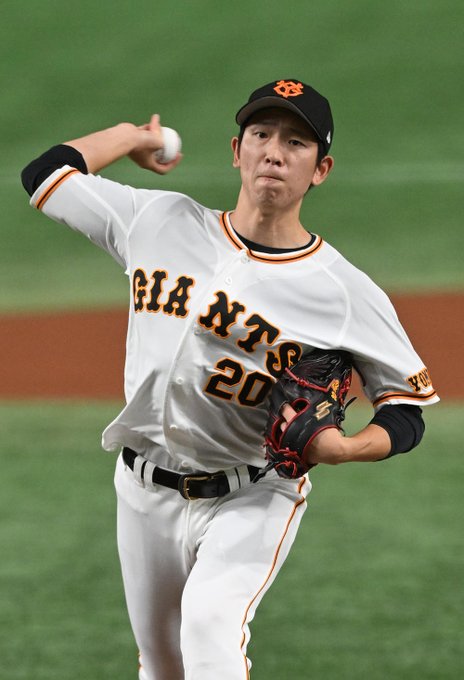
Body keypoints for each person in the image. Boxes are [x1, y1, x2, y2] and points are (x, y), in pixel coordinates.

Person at [21, 78, 439, 680]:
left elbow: (405, 409)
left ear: (320, 170)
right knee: (162, 666)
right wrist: (132, 137)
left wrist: (347, 449)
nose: (274, 152)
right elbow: (46, 176)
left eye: (295, 142)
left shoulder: (343, 290)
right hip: (142, 489)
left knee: (211, 630)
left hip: (253, 493)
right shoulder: (157, 220)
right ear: (237, 151)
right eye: (261, 134)